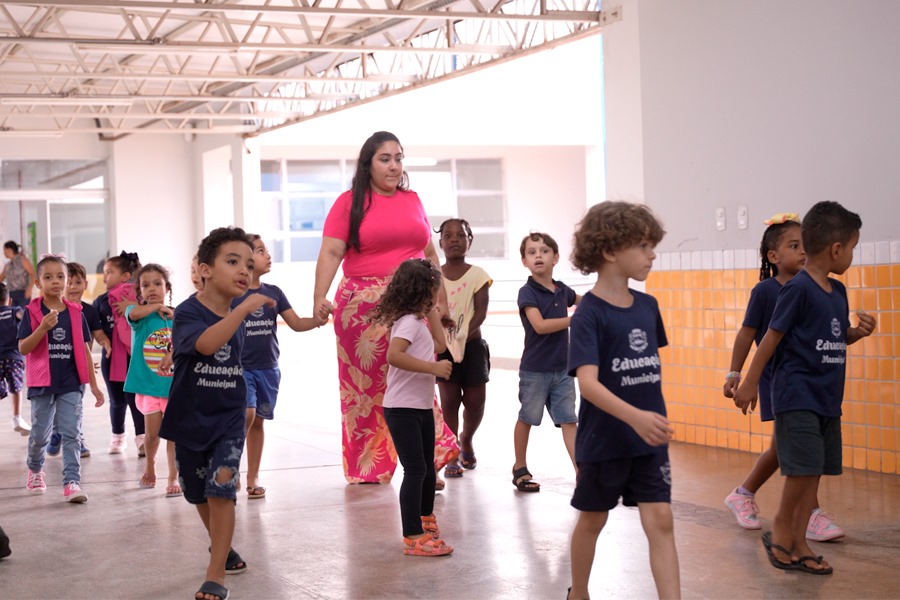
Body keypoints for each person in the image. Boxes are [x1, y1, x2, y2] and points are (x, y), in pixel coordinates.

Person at [734, 201, 875, 575]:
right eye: (853, 247)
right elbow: (770, 338)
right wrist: (748, 382)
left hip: (827, 398)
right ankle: (782, 533)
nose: (851, 255)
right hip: (797, 395)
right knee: (799, 473)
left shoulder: (837, 291)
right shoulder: (796, 289)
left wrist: (854, 334)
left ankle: (799, 543)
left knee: (813, 470)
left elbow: (828, 337)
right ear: (836, 249)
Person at [313, 130, 458, 484]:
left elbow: (429, 253)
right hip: (361, 307)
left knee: (416, 376)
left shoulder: (413, 200)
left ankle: (426, 460)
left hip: (412, 302)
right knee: (366, 389)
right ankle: (369, 466)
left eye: (398, 158)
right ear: (368, 164)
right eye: (385, 159)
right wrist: (320, 296)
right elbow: (332, 251)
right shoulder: (349, 203)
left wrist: (441, 299)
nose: (394, 166)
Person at [566, 201, 678, 600]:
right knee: (593, 519)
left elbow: (646, 368)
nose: (652, 255)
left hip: (648, 439)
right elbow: (589, 384)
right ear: (610, 251)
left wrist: (650, 420)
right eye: (644, 246)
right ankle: (578, 591)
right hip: (605, 441)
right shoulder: (588, 314)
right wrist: (635, 417)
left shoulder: (648, 307)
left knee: (661, 519)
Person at [160, 227, 274, 600]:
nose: (245, 269)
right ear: (205, 270)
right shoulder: (189, 312)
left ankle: (216, 574)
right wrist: (241, 311)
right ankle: (221, 546)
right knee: (199, 495)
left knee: (222, 490)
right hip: (190, 417)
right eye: (232, 261)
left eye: (248, 262)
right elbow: (207, 345)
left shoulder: (237, 312)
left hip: (228, 416)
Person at [722, 214, 844, 541]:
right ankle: (810, 514)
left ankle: (744, 494)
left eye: (805, 245)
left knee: (785, 448)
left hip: (804, 381)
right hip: (778, 378)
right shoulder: (766, 291)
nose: (803, 251)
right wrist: (737, 374)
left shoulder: (815, 288)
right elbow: (747, 335)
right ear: (774, 257)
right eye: (794, 245)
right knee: (798, 448)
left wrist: (854, 335)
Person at [368, 258, 454, 556]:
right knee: (415, 469)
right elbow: (394, 355)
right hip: (402, 408)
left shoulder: (419, 321)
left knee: (427, 466)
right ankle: (412, 536)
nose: (437, 297)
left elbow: (442, 346)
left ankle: (425, 518)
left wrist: (432, 312)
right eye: (434, 291)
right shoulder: (407, 323)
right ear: (422, 291)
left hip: (419, 407)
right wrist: (432, 368)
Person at [234, 235, 325, 499]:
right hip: (241, 369)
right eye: (261, 251)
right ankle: (231, 469)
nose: (268, 255)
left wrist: (318, 320)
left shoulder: (273, 292)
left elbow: (296, 323)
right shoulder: (234, 296)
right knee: (246, 415)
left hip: (269, 369)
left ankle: (252, 477)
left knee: (259, 423)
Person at [18, 255, 105, 503]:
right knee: (40, 435)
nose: (55, 281)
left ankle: (72, 482)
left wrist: (95, 386)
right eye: (48, 277)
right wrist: (42, 328)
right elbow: (24, 348)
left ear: (67, 281)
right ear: (38, 282)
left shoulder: (76, 312)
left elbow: (85, 349)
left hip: (71, 383)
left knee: (71, 433)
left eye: (60, 276)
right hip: (42, 383)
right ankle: (35, 470)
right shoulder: (32, 312)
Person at [512, 232, 580, 492]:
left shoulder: (563, 291)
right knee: (528, 417)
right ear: (524, 261)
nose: (538, 255)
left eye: (544, 251)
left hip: (563, 368)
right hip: (535, 370)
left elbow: (584, 303)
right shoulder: (527, 292)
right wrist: (576, 319)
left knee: (568, 420)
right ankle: (520, 467)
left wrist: (601, 304)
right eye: (532, 252)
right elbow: (539, 326)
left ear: (556, 258)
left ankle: (580, 472)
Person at [434, 219, 491, 478]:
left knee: (475, 403)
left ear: (470, 240)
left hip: (472, 348)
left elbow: (480, 312)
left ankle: (466, 438)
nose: (454, 239)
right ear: (440, 242)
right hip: (443, 348)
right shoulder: (434, 276)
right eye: (448, 235)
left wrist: (463, 333)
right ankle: (453, 453)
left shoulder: (478, 274)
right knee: (448, 402)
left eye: (461, 235)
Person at [125, 263, 181, 497]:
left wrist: (171, 313)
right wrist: (157, 306)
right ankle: (149, 466)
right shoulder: (138, 314)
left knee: (174, 436)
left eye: (157, 284)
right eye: (145, 285)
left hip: (173, 386)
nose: (152, 288)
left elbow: (185, 342)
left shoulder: (177, 315)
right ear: (139, 291)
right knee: (152, 435)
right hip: (149, 386)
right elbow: (133, 313)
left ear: (166, 287)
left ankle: (173, 477)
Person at [47, 261, 112, 458]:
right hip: (56, 366)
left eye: (78, 282)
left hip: (80, 369)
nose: (73, 287)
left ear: (85, 284)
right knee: (55, 402)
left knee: (75, 404)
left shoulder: (89, 311)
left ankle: (77, 437)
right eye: (70, 282)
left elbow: (98, 334)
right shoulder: (53, 311)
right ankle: (57, 431)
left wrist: (106, 344)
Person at [95, 251, 146, 456]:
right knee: (116, 400)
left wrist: (132, 307)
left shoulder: (139, 298)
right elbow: (97, 329)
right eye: (104, 273)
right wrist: (104, 341)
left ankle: (142, 437)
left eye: (109, 272)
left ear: (125, 276)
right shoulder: (101, 301)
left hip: (133, 357)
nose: (105, 277)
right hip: (111, 358)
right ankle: (118, 437)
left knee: (135, 398)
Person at [0, 282, 29, 435]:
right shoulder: (14, 310)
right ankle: (17, 418)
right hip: (14, 358)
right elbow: (24, 318)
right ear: (9, 300)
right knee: (16, 388)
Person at [1, 242, 36, 308]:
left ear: (9, 250)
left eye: (4, 250)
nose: (3, 253)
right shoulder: (7, 265)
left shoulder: (23, 260)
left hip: (22, 293)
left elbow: (33, 274)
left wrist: (30, 288)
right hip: (11, 294)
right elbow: (2, 276)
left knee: (22, 314)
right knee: (13, 315)